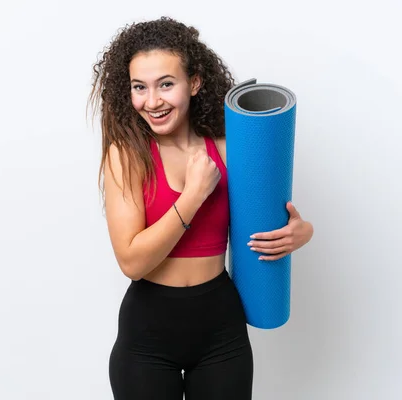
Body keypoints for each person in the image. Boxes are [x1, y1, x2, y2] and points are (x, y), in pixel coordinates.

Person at [88, 16, 314, 400]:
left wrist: (302, 232)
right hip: (147, 336)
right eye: (139, 87)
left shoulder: (229, 150)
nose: (152, 101)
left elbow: (272, 215)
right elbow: (132, 262)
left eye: (166, 84)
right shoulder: (125, 157)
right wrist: (192, 196)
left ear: (194, 83)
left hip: (220, 330)